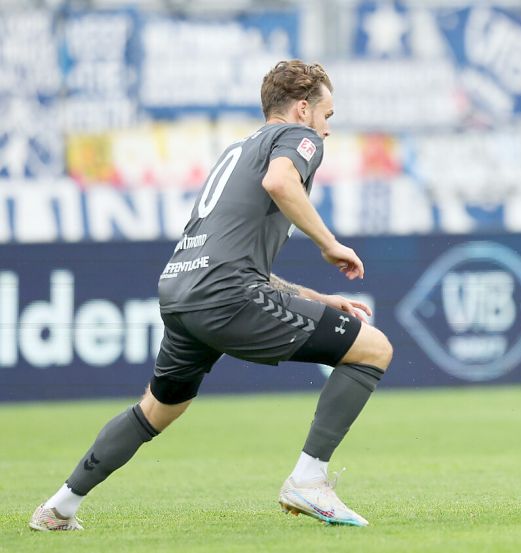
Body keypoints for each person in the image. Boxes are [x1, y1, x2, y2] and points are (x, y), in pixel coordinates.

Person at [29, 60, 393, 531]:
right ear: (302, 109)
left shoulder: (238, 150)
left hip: (182, 290)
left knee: (158, 409)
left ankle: (58, 507)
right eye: (327, 116)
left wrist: (317, 299)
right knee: (373, 349)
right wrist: (330, 244)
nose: (326, 131)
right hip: (225, 294)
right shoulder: (294, 139)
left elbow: (236, 259)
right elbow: (280, 182)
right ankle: (309, 479)